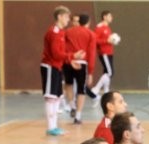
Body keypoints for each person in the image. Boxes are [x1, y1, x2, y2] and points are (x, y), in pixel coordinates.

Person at [40, 5, 85, 136]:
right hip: (50, 67)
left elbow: (61, 53)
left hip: (57, 67)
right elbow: (56, 54)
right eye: (66, 17)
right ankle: (51, 127)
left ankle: (54, 126)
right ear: (59, 17)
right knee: (51, 97)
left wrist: (71, 61)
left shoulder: (61, 32)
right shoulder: (54, 32)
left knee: (57, 97)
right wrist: (73, 56)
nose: (68, 20)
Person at [64, 14, 95, 124]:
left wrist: (68, 59)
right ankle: (78, 116)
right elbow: (91, 53)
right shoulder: (90, 34)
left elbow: (63, 47)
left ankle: (72, 105)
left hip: (69, 61)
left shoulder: (67, 32)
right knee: (81, 90)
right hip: (82, 63)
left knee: (68, 84)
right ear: (88, 22)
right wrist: (90, 72)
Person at [87, 10, 115, 105]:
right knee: (110, 72)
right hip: (104, 53)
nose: (111, 18)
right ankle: (96, 89)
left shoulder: (107, 28)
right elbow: (95, 40)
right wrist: (107, 41)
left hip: (109, 52)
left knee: (106, 73)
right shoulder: (99, 27)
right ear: (104, 17)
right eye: (110, 16)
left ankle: (106, 93)